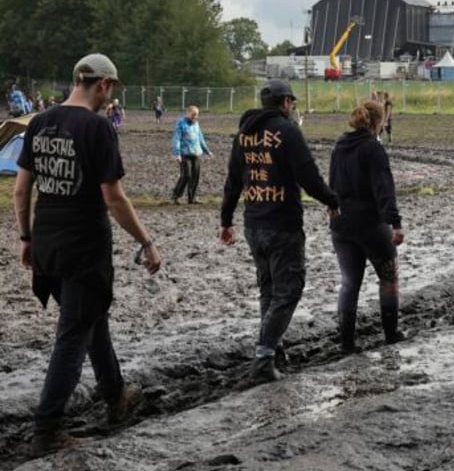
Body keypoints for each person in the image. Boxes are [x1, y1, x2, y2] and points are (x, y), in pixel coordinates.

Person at [13, 53, 162, 456]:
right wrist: (146, 241)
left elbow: (21, 189)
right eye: (111, 90)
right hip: (84, 248)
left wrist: (27, 238)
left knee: (92, 316)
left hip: (47, 243)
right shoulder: (97, 128)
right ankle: (46, 428)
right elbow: (113, 198)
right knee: (74, 332)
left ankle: (116, 396)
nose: (109, 98)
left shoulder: (39, 122)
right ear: (104, 85)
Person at [219, 79, 339, 382]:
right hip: (282, 223)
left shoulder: (243, 135)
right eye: (292, 103)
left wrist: (226, 220)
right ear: (285, 103)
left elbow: (233, 181)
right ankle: (263, 357)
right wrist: (332, 201)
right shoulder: (287, 131)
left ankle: (274, 350)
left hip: (253, 224)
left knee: (269, 290)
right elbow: (308, 176)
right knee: (290, 290)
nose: (293, 108)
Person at [329, 100, 405, 354]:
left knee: (350, 282)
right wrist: (395, 223)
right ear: (378, 122)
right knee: (389, 277)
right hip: (370, 223)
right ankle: (391, 334)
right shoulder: (373, 149)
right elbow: (384, 190)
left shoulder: (339, 145)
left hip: (341, 224)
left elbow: (332, 184)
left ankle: (347, 344)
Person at [170, 105, 212, 204]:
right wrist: (177, 153)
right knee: (186, 175)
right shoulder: (181, 123)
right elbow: (176, 139)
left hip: (196, 153)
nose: (195, 116)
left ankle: (191, 198)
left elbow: (200, 138)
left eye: (196, 115)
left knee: (195, 176)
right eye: (193, 114)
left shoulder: (196, 124)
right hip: (185, 154)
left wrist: (207, 151)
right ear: (188, 113)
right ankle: (176, 196)